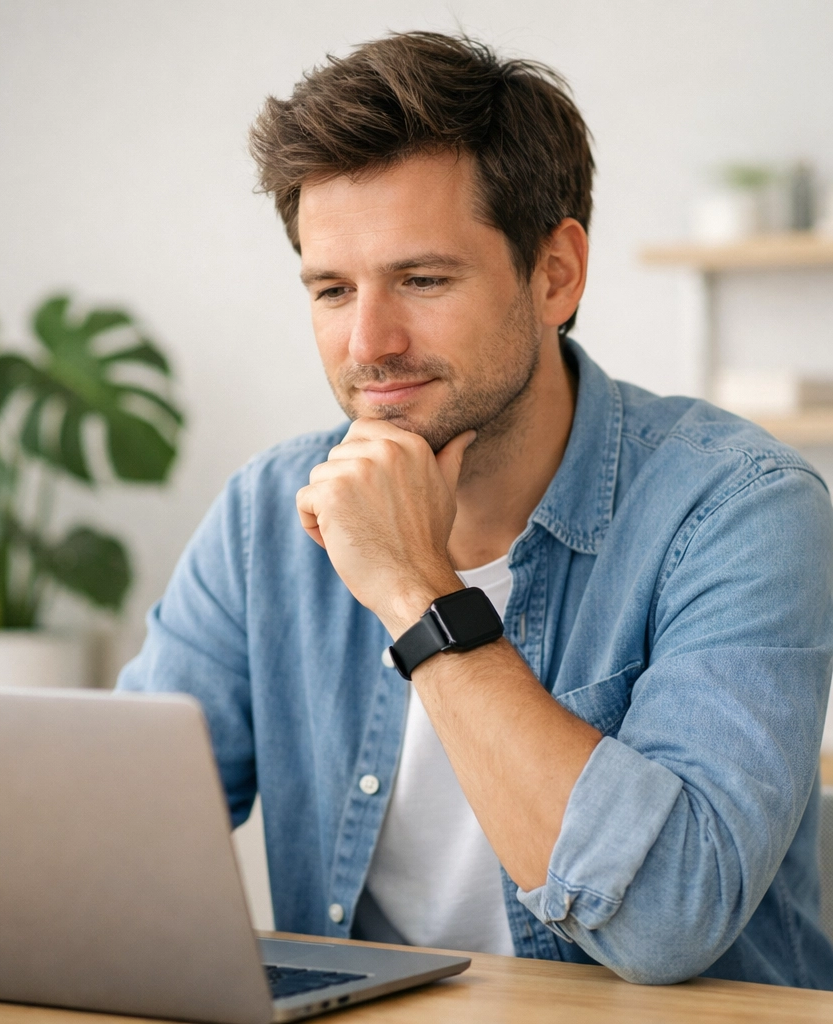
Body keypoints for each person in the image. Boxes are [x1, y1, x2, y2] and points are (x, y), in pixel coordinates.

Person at [118, 31, 833, 988]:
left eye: (423, 279)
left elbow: (668, 918)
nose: (369, 343)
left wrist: (416, 588)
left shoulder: (742, 512)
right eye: (333, 290)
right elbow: (115, 839)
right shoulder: (263, 517)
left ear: (556, 275)